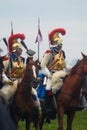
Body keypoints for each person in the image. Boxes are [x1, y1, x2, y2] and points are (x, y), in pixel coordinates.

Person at [40, 28, 71, 119]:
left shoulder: (62, 53)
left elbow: (65, 65)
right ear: (55, 43)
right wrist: (48, 74)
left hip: (61, 74)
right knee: (49, 88)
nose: (61, 45)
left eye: (61, 43)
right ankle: (47, 108)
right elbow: (43, 65)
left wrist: (72, 69)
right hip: (51, 76)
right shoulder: (49, 53)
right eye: (59, 43)